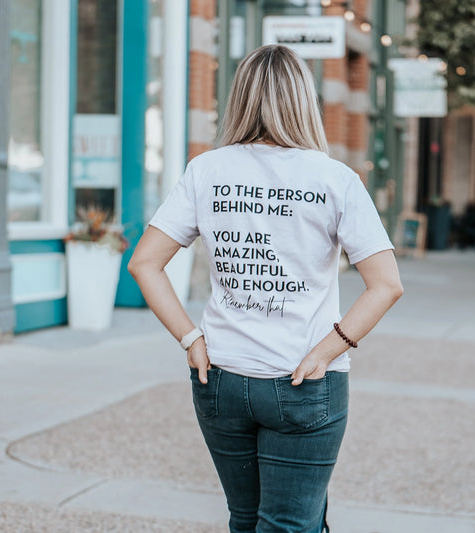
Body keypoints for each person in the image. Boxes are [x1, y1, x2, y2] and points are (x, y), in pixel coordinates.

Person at [128, 44, 404, 533]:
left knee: (247, 519)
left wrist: (191, 339)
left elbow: (145, 264)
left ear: (240, 97)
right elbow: (386, 285)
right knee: (289, 524)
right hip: (305, 380)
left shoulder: (206, 171)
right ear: (303, 100)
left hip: (221, 380)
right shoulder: (335, 179)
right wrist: (328, 350)